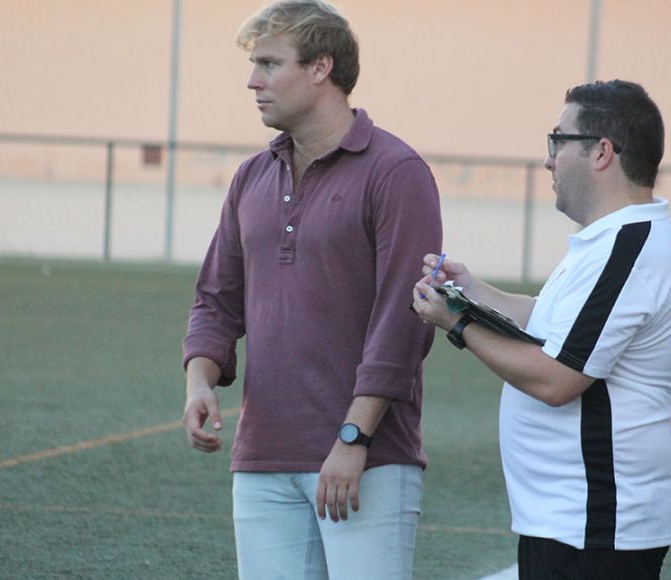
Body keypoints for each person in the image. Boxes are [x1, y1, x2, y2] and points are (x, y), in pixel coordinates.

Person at [180, 1, 442, 578]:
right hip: (263, 459)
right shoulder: (252, 175)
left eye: (270, 64)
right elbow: (217, 299)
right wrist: (200, 378)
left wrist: (354, 437)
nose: (253, 81)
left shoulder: (396, 172)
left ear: (321, 68)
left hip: (366, 459)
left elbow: (404, 320)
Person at [412, 80, 671, 580]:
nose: (548, 160)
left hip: (597, 523)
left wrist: (457, 324)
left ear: (602, 152)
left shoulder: (630, 248)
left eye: (557, 141)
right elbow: (548, 320)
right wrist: (471, 290)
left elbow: (557, 379)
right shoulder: (612, 242)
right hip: (575, 519)